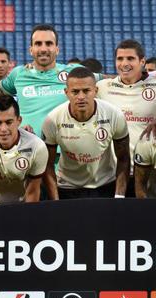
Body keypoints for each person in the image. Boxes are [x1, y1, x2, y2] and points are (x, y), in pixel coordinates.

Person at [0, 24, 102, 136]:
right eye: (38, 44)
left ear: (57, 49)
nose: (43, 49)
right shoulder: (18, 73)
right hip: (28, 149)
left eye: (49, 43)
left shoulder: (73, 72)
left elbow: (110, 81)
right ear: (31, 50)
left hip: (65, 150)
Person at [42, 67, 130, 199]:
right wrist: (56, 202)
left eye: (86, 91)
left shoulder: (114, 115)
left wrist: (119, 196)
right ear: (66, 92)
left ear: (96, 91)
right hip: (67, 187)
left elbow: (124, 158)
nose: (81, 97)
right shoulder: (52, 120)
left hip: (106, 185)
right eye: (75, 92)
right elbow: (47, 165)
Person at [97, 39, 156, 197]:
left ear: (142, 61)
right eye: (120, 59)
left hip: (150, 173)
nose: (124, 63)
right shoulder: (103, 88)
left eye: (130, 59)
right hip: (113, 175)